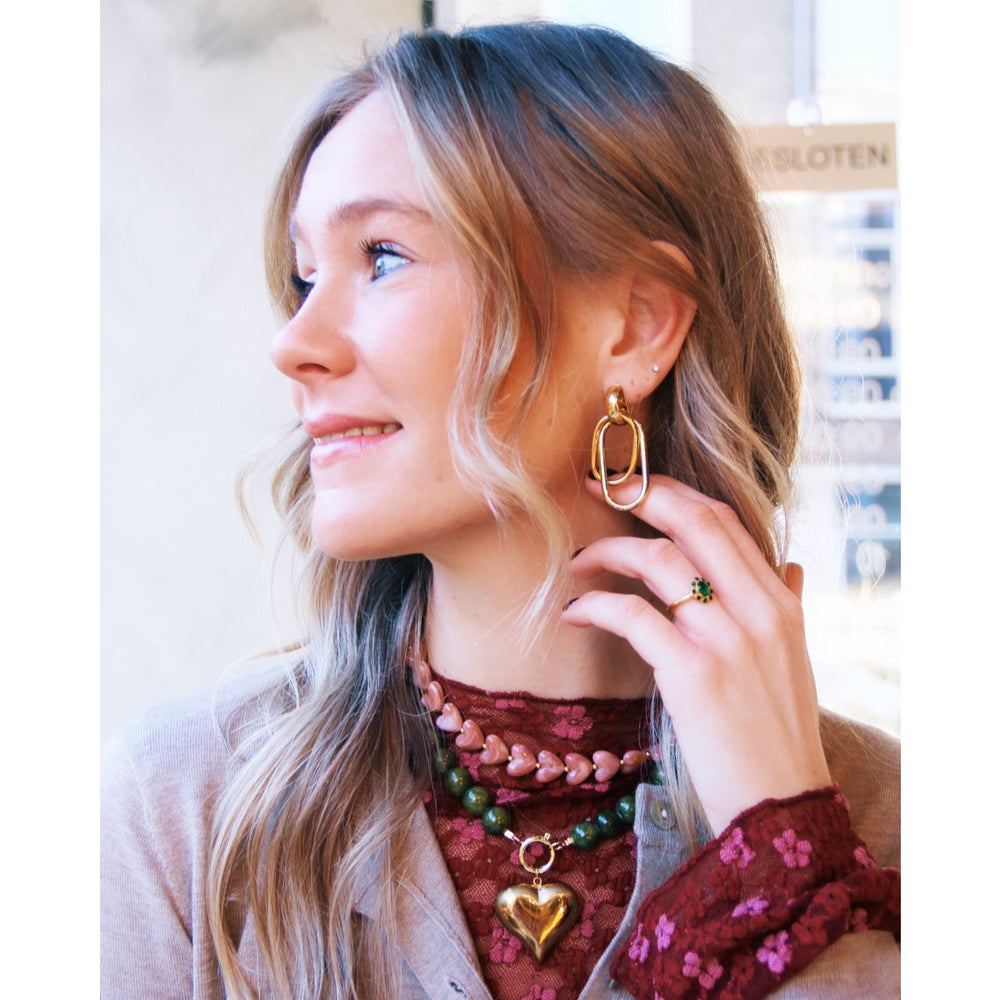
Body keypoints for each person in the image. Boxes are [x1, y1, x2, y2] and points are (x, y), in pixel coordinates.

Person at [100, 21, 900, 1000]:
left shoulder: (892, 826)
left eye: (382, 256)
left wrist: (783, 859)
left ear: (633, 326)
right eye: (306, 276)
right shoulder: (181, 811)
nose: (294, 343)